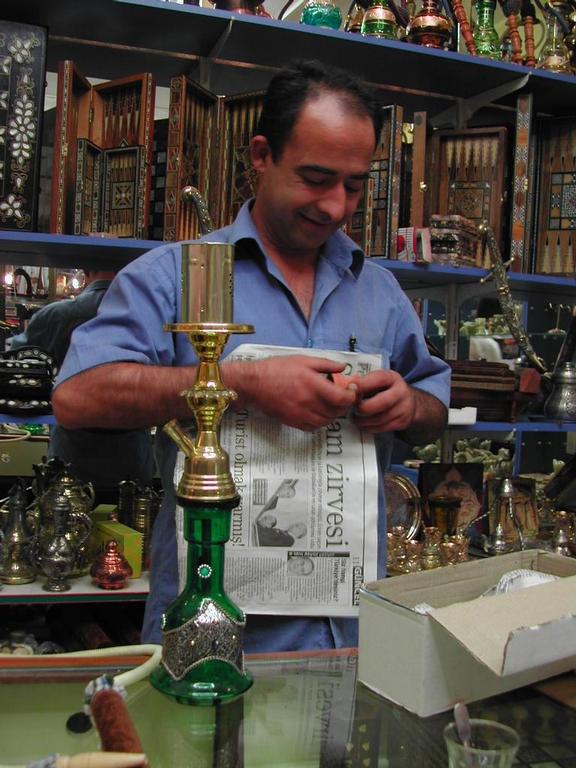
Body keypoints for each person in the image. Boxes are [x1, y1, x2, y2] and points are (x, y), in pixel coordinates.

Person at [52, 59, 451, 651]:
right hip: (215, 632)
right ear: (261, 155)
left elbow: (434, 408)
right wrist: (243, 385)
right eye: (316, 178)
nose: (337, 207)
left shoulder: (381, 292)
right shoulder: (175, 277)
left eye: (355, 184)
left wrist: (406, 406)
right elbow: (77, 397)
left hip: (353, 632)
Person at [11, 270, 156, 491]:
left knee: (61, 518)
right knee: (131, 518)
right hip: (131, 454)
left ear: (86, 273)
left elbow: (15, 365)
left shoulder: (55, 315)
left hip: (70, 453)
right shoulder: (149, 318)